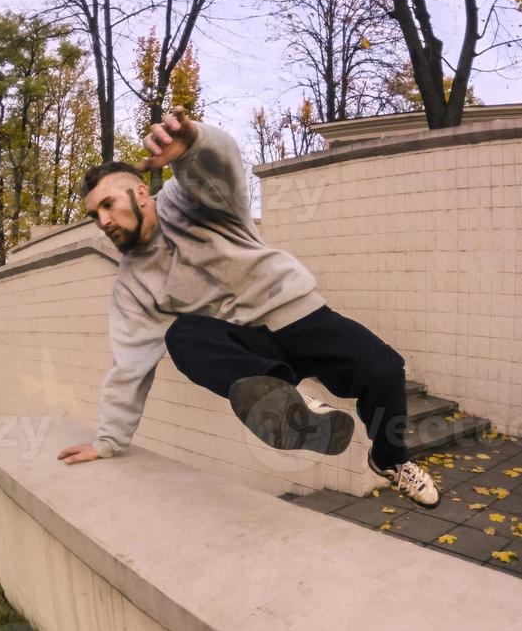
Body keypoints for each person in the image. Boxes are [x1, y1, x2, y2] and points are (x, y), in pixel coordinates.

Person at [57, 106, 440, 509]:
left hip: (298, 315)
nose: (102, 222)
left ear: (138, 193)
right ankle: (285, 399)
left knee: (384, 369)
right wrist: (109, 441)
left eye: (107, 206)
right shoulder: (131, 286)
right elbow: (128, 367)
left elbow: (220, 166)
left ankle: (389, 460)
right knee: (181, 335)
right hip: (249, 345)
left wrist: (193, 143)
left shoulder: (189, 200)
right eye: (93, 215)